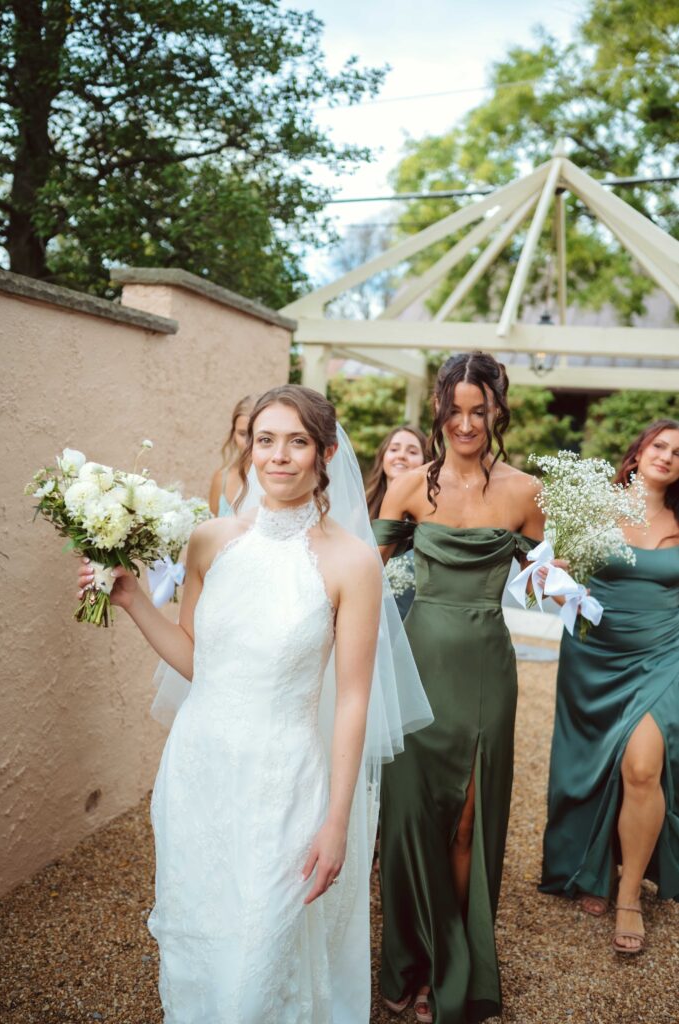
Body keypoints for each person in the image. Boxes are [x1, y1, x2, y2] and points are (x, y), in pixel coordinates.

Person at [76, 384, 428, 1023]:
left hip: (284, 781)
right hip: (198, 771)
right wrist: (131, 601)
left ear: (325, 454)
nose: (278, 456)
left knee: (262, 954)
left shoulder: (352, 562)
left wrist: (337, 822)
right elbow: (196, 661)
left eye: (297, 442)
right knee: (199, 941)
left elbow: (353, 699)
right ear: (249, 447)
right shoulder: (208, 541)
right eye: (265, 440)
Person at [373, 351, 546, 1024]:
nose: (466, 424)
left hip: (485, 671)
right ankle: (407, 958)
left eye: (479, 410)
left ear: (497, 410)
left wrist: (563, 577)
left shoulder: (526, 492)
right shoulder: (407, 487)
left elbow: (542, 581)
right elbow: (364, 573)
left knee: (467, 822)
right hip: (416, 663)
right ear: (437, 410)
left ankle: (451, 964)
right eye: (455, 410)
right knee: (409, 820)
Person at [540, 419, 679, 955]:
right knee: (592, 762)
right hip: (594, 656)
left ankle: (629, 893)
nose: (667, 456)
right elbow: (557, 583)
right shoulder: (593, 507)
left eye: (678, 453)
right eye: (659, 445)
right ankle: (591, 867)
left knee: (642, 766)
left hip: (664, 656)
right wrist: (554, 581)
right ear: (639, 451)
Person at [365, 425, 427, 619]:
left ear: (426, 462)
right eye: (394, 449)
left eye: (412, 452)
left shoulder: (432, 517)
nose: (401, 455)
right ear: (383, 457)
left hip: (413, 623)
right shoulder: (361, 509)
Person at [208, 394, 253, 516]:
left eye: (256, 434)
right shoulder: (221, 478)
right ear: (233, 434)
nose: (249, 443)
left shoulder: (279, 481)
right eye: (242, 434)